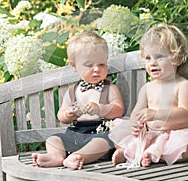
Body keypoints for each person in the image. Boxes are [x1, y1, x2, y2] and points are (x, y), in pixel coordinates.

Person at [109, 24, 188, 167]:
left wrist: (156, 113)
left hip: (176, 135)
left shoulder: (182, 85)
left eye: (159, 57)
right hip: (151, 135)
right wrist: (135, 123)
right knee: (117, 125)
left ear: (176, 58)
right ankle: (126, 152)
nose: (152, 63)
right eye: (148, 58)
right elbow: (137, 112)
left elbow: (185, 114)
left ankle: (158, 156)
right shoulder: (147, 88)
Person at [32, 31, 124, 170]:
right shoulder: (72, 91)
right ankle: (56, 156)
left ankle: (77, 157)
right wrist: (68, 114)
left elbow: (119, 110)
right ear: (74, 66)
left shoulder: (109, 88)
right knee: (53, 140)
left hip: (99, 132)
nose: (96, 69)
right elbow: (61, 115)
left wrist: (101, 109)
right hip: (75, 133)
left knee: (102, 144)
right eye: (89, 65)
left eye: (102, 64)